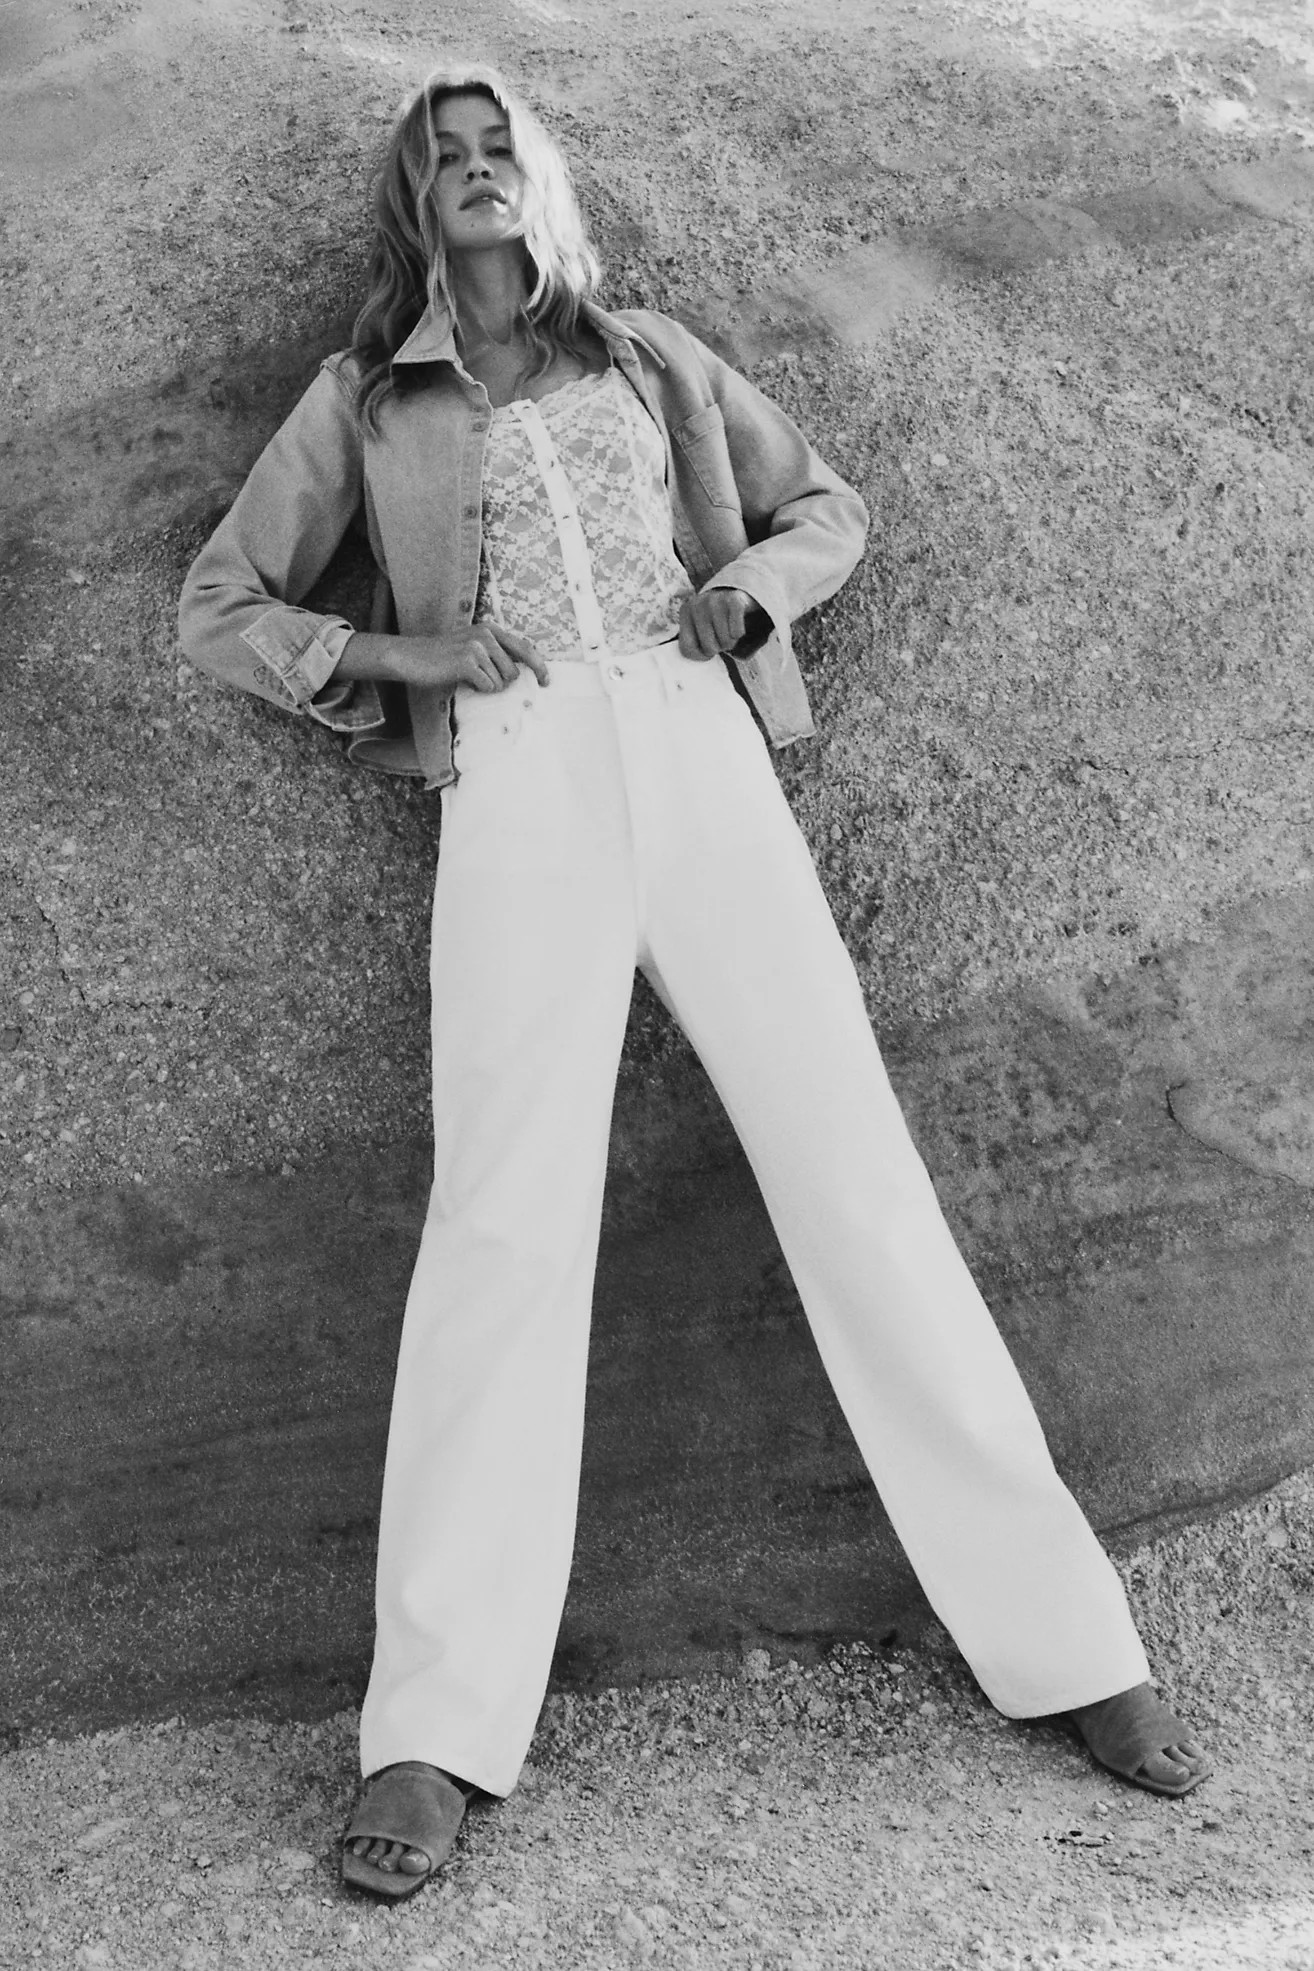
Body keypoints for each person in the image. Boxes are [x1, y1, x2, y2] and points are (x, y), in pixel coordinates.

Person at [178, 60, 1208, 1903]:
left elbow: (824, 506)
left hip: (700, 757)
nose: (478, 174)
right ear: (413, 202)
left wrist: (749, 597)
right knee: (501, 1230)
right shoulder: (370, 397)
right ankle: (432, 1730)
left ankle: (1074, 1648)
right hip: (516, 785)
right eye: (445, 158)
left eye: (499, 149)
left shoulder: (647, 357)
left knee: (856, 1181)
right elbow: (221, 605)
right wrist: (405, 654)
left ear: (540, 179)